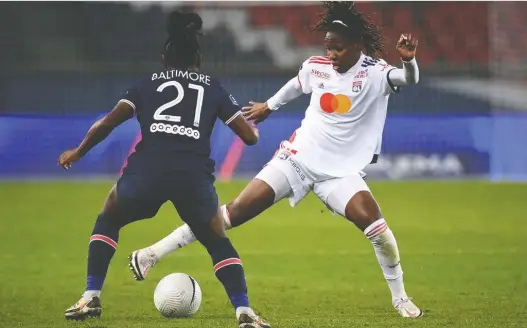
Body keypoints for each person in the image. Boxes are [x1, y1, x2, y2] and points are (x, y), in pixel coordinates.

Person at [129, 1, 423, 318]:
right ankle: (152, 254)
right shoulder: (317, 67)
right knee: (230, 214)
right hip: (296, 159)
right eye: (328, 47)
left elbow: (409, 80)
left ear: (357, 45)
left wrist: (409, 62)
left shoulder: (377, 74)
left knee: (378, 230)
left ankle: (400, 297)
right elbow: (297, 84)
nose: (332, 54)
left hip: (340, 174)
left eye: (338, 48)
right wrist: (269, 106)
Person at [59, 10, 271, 328]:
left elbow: (107, 123)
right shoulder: (212, 86)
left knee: (110, 216)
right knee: (216, 240)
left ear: (165, 57)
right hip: (193, 178)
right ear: (197, 60)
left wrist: (79, 151)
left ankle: (90, 296)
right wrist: (245, 119)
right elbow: (250, 137)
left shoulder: (146, 85)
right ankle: (245, 313)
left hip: (147, 172)